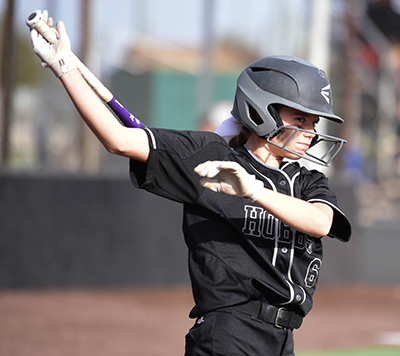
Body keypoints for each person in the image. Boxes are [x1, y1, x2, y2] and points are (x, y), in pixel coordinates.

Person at [30, 14, 351, 356]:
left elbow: (320, 222)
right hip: (228, 335)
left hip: (282, 341)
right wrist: (64, 67)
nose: (311, 133)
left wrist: (254, 191)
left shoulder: (305, 181)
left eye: (313, 123)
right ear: (262, 111)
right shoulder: (210, 157)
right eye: (300, 119)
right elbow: (119, 139)